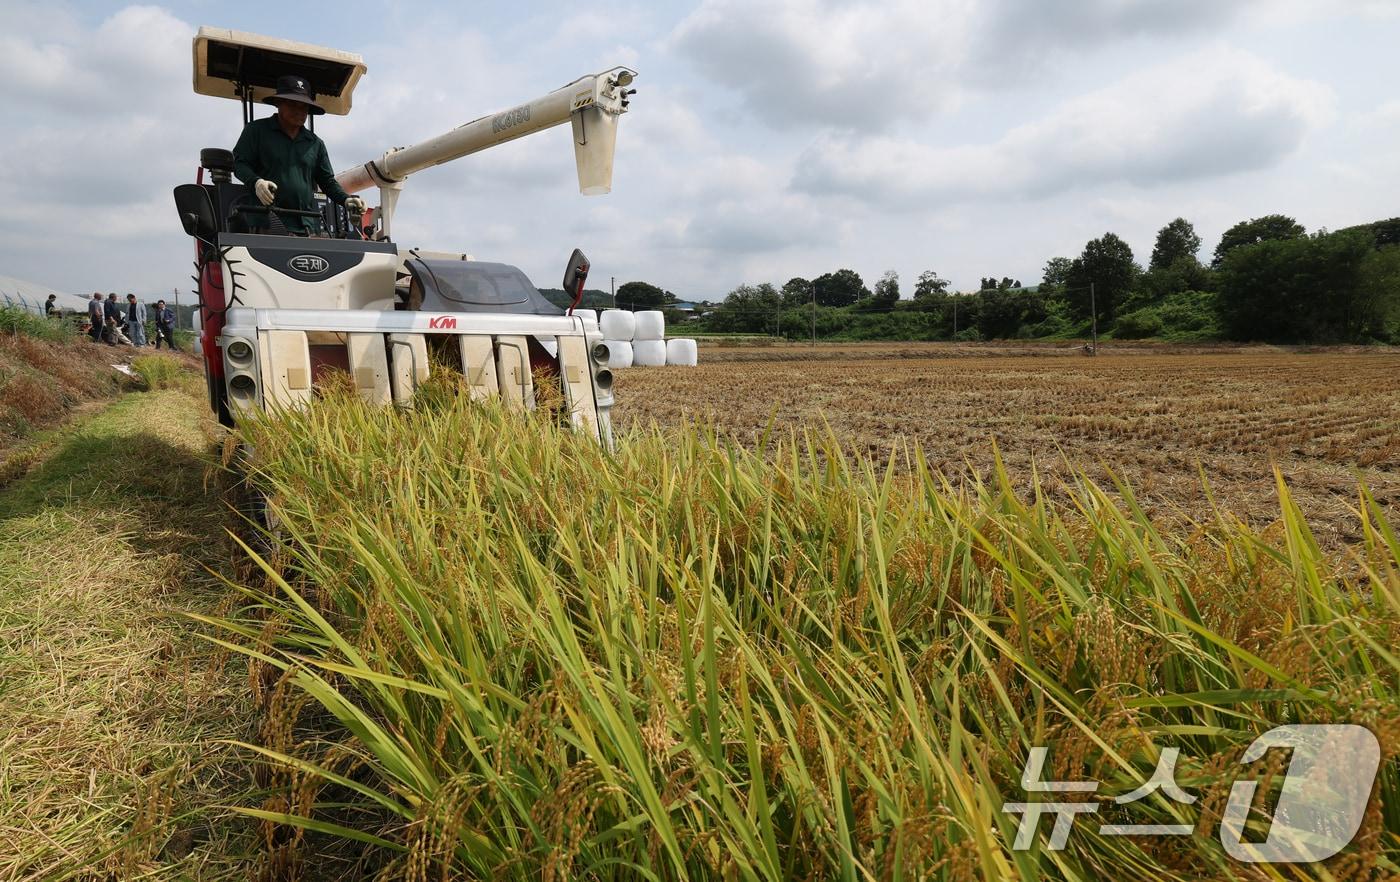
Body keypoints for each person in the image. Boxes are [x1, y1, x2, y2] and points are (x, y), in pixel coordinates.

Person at [232, 74, 365, 235]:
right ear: (278, 103)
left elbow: (327, 182)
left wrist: (346, 200)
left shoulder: (315, 143)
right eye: (293, 104)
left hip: (307, 225)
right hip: (267, 224)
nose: (300, 111)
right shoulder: (256, 131)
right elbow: (239, 164)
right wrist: (257, 182)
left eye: (304, 106)